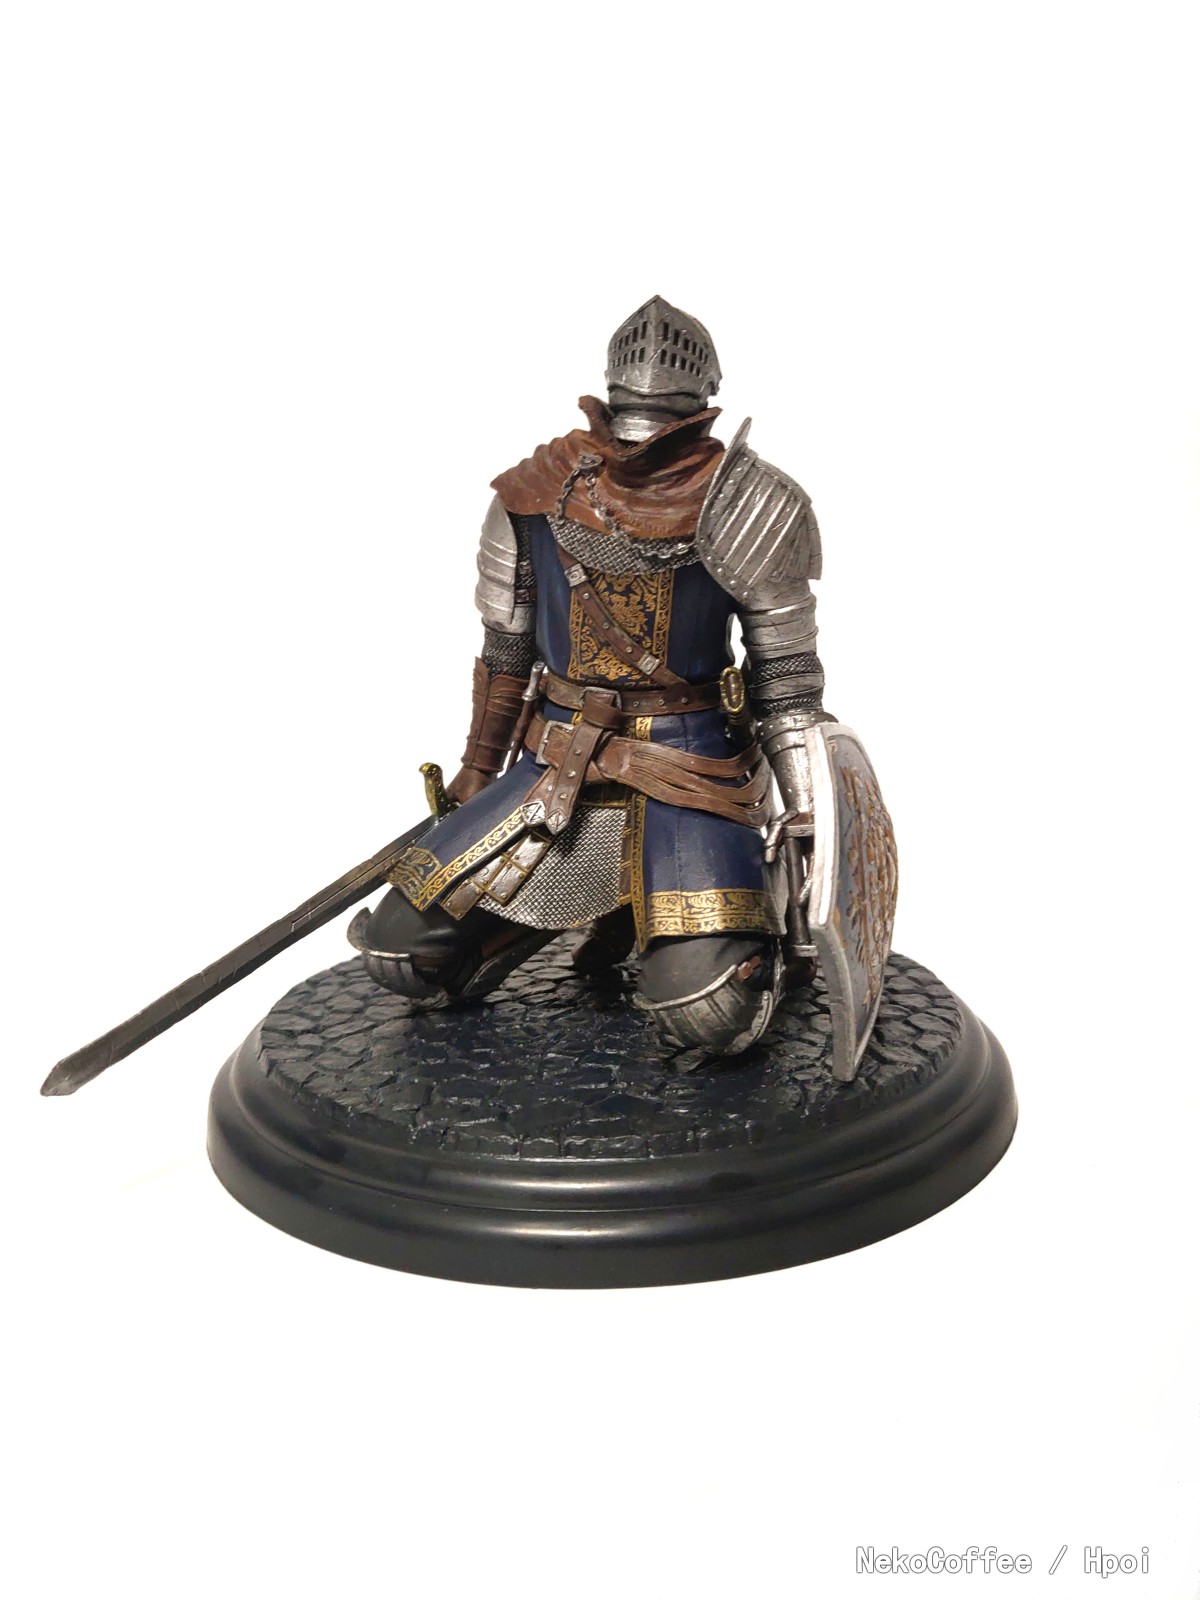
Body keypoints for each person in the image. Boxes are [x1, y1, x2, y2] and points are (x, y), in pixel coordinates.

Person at [350, 296, 832, 1056]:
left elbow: (787, 678)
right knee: (401, 954)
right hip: (555, 765)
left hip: (690, 766)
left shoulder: (749, 501)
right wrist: (477, 772)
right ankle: (539, 923)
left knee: (705, 1009)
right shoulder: (535, 491)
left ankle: (733, 930)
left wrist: (804, 812)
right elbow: (506, 654)